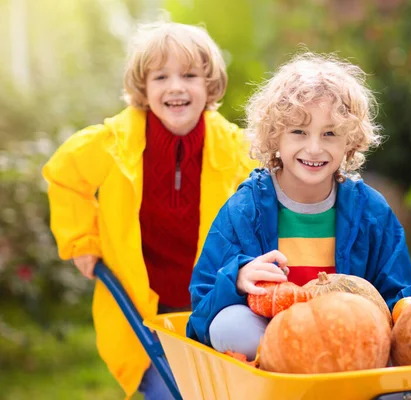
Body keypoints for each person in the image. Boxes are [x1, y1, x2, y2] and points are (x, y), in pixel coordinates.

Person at [42, 19, 255, 399]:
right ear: (143, 88)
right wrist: (83, 240)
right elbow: (64, 177)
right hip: (142, 303)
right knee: (167, 388)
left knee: (221, 388)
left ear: (210, 85)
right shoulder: (111, 144)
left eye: (189, 75)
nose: (175, 87)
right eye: (161, 77)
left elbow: (265, 205)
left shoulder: (238, 150)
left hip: (213, 301)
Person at [186, 52, 411, 360]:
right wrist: (237, 279)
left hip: (351, 339)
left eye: (330, 134)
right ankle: (291, 377)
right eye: (299, 131)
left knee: (399, 344)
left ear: (349, 142)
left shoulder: (371, 212)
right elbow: (201, 308)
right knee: (229, 327)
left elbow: (391, 296)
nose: (314, 147)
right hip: (275, 341)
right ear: (275, 137)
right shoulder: (246, 210)